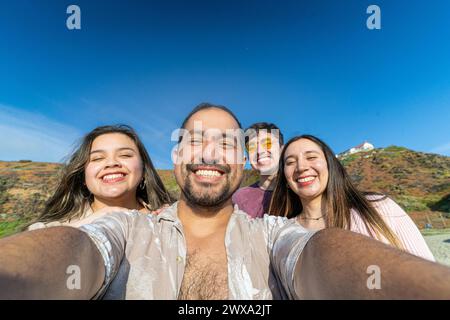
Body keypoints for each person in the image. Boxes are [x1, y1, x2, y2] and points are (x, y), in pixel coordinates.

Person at [1, 105, 450, 300]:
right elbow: (78, 248)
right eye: (197, 140)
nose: (211, 153)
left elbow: (317, 256)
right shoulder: (127, 227)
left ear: (242, 163)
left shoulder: (275, 230)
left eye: (227, 143)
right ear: (176, 156)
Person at [269, 134, 435, 261]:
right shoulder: (285, 234)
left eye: (311, 157)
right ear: (285, 178)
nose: (302, 167)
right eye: (290, 162)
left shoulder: (378, 207)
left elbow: (428, 276)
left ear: (330, 165)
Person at [26, 125, 173, 229]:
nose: (111, 163)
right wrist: (88, 224)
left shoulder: (172, 218)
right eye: (97, 158)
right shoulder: (51, 229)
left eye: (125, 155)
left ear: (143, 170)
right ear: (83, 177)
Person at [232, 122, 283, 218]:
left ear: (282, 150)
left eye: (267, 143)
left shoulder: (299, 193)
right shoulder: (239, 199)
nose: (259, 151)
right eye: (251, 147)